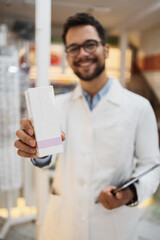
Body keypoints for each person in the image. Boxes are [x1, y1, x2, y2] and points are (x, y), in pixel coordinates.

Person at [14, 13, 160, 240]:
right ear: (68, 55)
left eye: (90, 45)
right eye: (73, 48)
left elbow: (152, 165)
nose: (82, 53)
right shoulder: (57, 106)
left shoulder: (139, 107)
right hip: (64, 224)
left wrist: (130, 193)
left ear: (106, 50)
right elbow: (47, 157)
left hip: (114, 227)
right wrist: (36, 149)